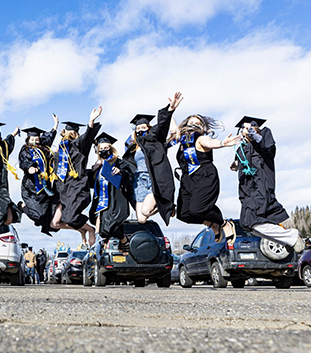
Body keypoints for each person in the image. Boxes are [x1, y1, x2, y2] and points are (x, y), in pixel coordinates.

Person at [231, 116, 305, 252]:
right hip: (246, 192)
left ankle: (291, 236)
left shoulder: (263, 135)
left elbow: (269, 150)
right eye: (243, 128)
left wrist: (254, 135)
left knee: (253, 221)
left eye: (249, 127)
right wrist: (236, 164)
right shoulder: (242, 147)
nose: (245, 130)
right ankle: (286, 240)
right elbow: (241, 161)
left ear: (255, 128)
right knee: (246, 224)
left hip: (261, 187)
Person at [173, 114, 241, 242]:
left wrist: (222, 143)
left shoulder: (201, 139)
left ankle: (224, 223)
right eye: (191, 122)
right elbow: (172, 127)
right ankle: (212, 224)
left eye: (198, 123)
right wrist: (170, 109)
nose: (194, 125)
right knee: (183, 214)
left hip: (204, 176)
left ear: (202, 128)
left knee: (196, 209)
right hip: (187, 180)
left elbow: (210, 143)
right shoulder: (182, 140)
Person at [123, 92, 183, 226]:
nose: (140, 130)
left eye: (143, 127)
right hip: (139, 182)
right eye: (138, 128)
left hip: (153, 179)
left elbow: (162, 125)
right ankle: (167, 206)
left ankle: (167, 205)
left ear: (149, 129)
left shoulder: (155, 140)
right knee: (141, 219)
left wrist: (170, 110)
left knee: (145, 210)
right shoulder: (133, 147)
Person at [50, 106, 102, 247]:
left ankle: (90, 229)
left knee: (70, 218)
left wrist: (91, 121)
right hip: (61, 189)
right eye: (67, 131)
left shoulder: (79, 146)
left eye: (73, 132)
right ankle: (82, 229)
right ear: (63, 133)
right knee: (54, 223)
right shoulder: (58, 151)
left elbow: (88, 137)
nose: (70, 133)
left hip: (76, 187)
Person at [89, 132, 134, 253]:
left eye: (106, 147)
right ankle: (112, 242)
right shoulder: (97, 166)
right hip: (101, 201)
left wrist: (120, 172)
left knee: (112, 225)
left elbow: (129, 175)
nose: (103, 150)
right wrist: (92, 171)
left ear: (111, 148)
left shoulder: (119, 162)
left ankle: (122, 240)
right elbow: (92, 183)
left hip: (116, 199)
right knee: (101, 225)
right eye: (101, 148)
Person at [18, 115, 59, 236]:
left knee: (47, 213)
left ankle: (45, 225)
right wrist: (29, 167)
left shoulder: (44, 147)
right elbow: (24, 160)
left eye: (37, 139)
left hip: (45, 186)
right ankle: (22, 206)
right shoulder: (25, 149)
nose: (35, 141)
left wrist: (55, 124)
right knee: (39, 215)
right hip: (31, 187)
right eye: (33, 139)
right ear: (28, 139)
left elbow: (50, 136)